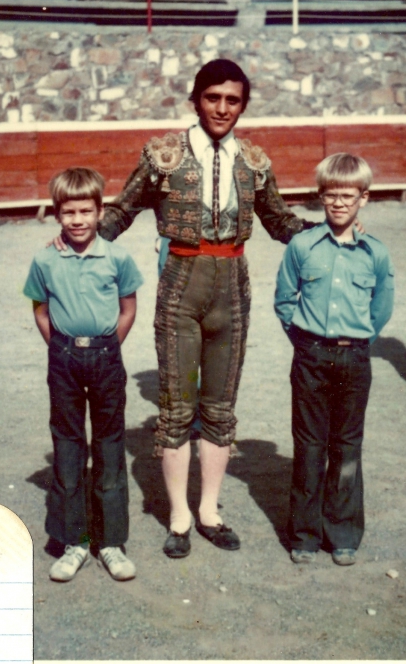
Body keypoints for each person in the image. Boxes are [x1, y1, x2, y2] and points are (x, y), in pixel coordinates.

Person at [99, 58, 313, 558]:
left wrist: (332, 230)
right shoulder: (163, 154)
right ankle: (177, 515)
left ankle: (209, 510)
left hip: (233, 287)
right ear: (196, 100)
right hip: (181, 283)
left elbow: (280, 222)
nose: (222, 108)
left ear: (243, 105)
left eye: (232, 100)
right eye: (213, 97)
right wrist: (78, 241)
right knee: (177, 407)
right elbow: (123, 209)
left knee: (219, 407)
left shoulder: (255, 161)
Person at [274, 153, 394, 566]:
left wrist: (355, 343)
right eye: (331, 195)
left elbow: (380, 310)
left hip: (355, 358)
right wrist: (307, 341)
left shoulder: (375, 253)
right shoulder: (302, 246)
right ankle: (304, 534)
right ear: (320, 197)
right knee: (309, 446)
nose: (339, 203)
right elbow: (284, 300)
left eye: (348, 195)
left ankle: (341, 532)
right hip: (310, 356)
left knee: (347, 446)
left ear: (364, 198)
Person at [25, 167, 143, 582]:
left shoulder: (117, 256)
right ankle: (74, 542)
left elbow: (128, 307)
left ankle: (110, 542)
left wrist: (110, 343)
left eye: (86, 211)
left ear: (99, 211)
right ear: (57, 213)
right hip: (63, 359)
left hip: (107, 357)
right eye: (69, 212)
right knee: (69, 444)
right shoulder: (43, 259)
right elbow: (39, 308)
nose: (78, 220)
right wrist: (58, 345)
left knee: (110, 444)